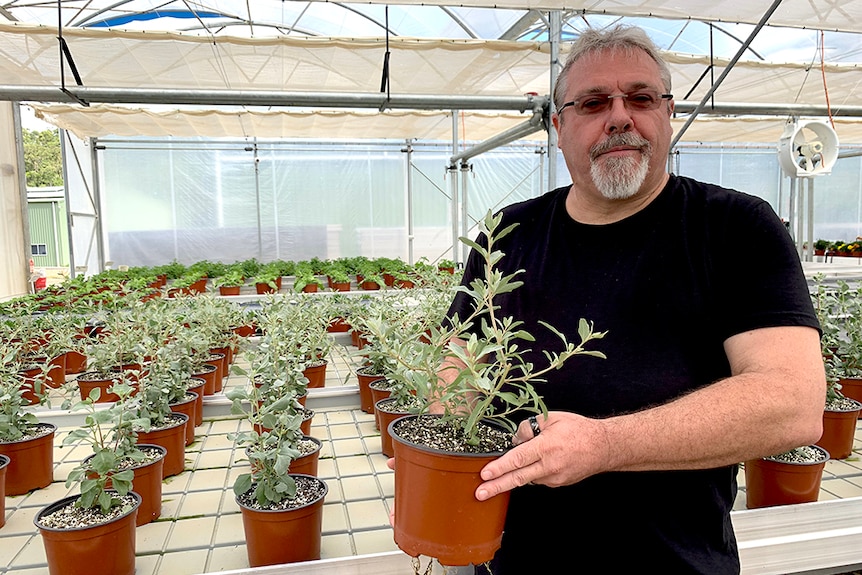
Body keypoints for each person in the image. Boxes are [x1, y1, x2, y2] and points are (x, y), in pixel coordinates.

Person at [442, 24, 825, 573]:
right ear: (558, 125)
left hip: (676, 564)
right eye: (594, 102)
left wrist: (604, 444)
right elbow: (456, 370)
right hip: (513, 560)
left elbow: (793, 402)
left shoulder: (735, 227)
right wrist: (430, 464)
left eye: (641, 97)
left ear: (668, 114)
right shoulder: (510, 232)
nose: (619, 116)